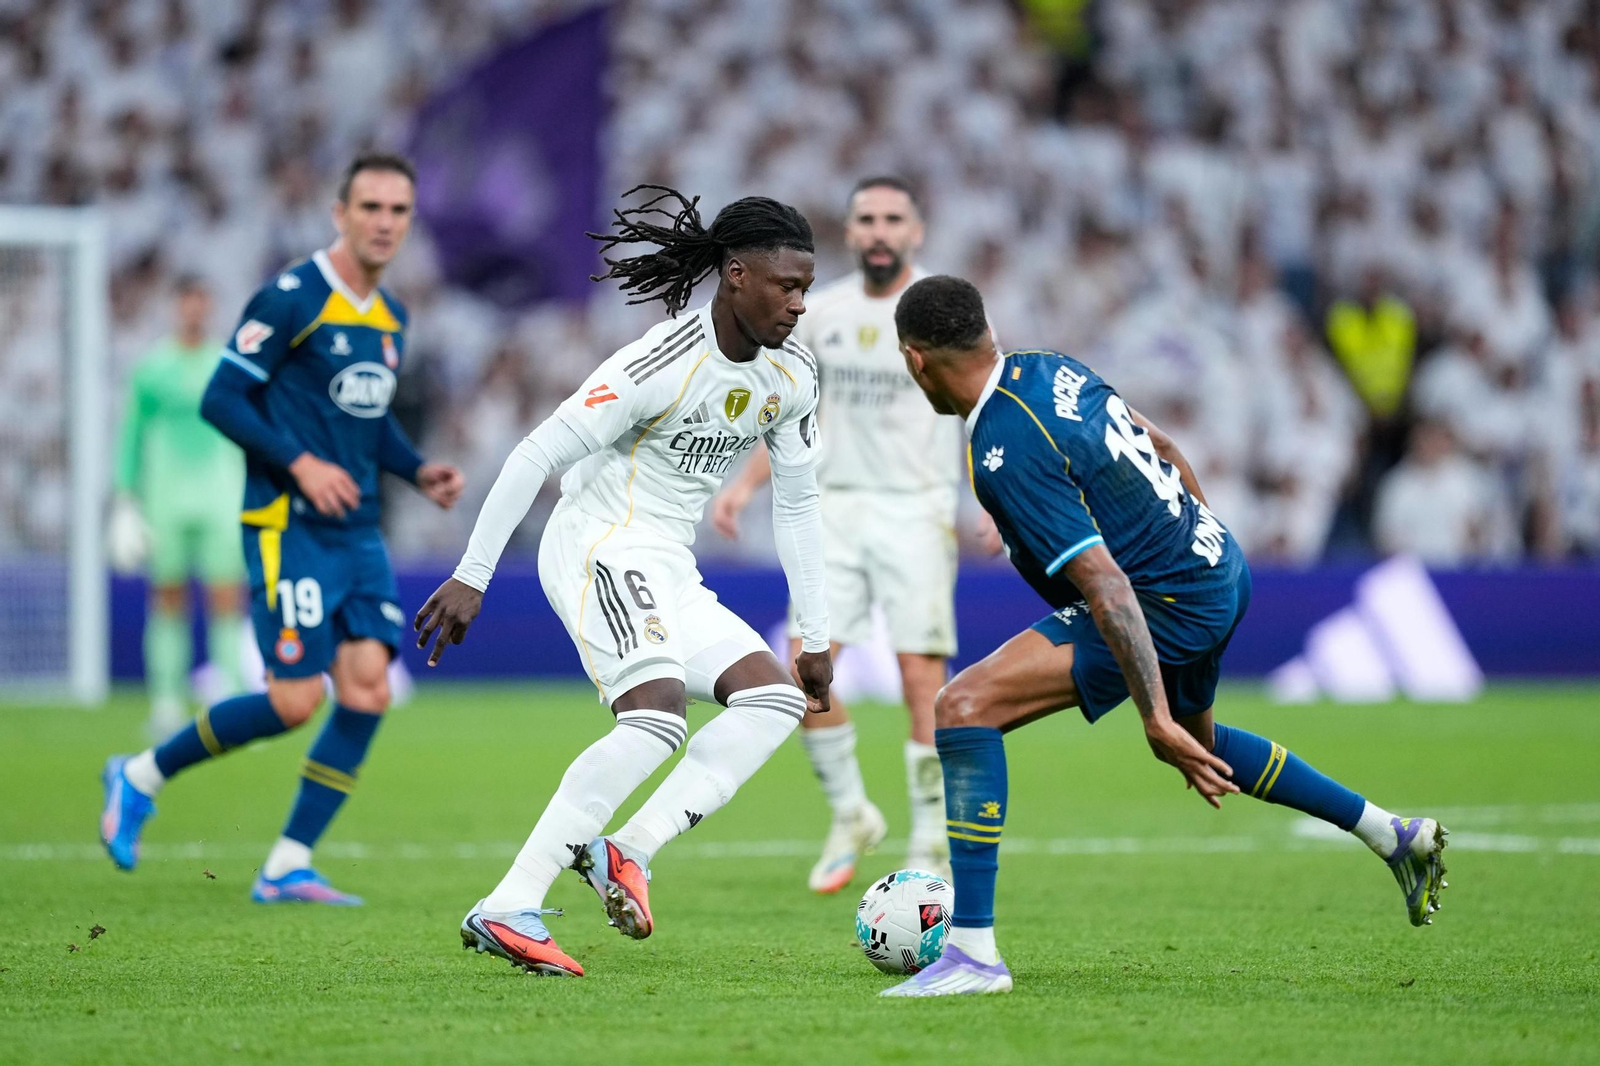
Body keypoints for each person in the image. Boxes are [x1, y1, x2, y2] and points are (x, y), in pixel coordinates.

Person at [881, 276, 1449, 997]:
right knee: (1202, 743)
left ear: (915, 360)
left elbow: (1109, 586)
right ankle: (1392, 834)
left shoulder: (1004, 441)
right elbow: (1165, 446)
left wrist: (1150, 717)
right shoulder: (1050, 367)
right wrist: (1195, 541)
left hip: (1163, 599)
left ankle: (973, 956)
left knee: (965, 707)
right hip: (1217, 564)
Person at [414, 185, 831, 978]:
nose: (800, 304)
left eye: (806, 287)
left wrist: (813, 631)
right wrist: (474, 574)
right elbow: (537, 453)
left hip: (668, 561)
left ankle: (626, 849)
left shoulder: (794, 376)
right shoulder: (658, 362)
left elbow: (801, 503)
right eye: (787, 285)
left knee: (774, 699)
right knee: (657, 719)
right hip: (596, 543)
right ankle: (507, 905)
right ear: (736, 275)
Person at [98, 152, 465, 905]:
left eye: (398, 210)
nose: (384, 223)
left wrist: (416, 468)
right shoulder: (293, 296)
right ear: (340, 213)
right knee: (296, 700)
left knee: (366, 693)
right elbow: (224, 398)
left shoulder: (390, 316)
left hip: (358, 531)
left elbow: (366, 421)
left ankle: (287, 862)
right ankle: (139, 775)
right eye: (370, 207)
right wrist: (299, 464)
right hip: (285, 524)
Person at [713, 176, 979, 892]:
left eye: (895, 217)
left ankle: (928, 838)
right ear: (851, 232)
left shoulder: (941, 308)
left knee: (921, 674)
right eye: (868, 218)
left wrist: (991, 497)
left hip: (915, 507)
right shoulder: (819, 311)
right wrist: (742, 484)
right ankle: (851, 811)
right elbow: (792, 416)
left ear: (915, 231)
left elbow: (980, 405)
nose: (881, 230)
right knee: (807, 666)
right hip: (833, 507)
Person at [109, 275, 247, 739]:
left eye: (200, 302)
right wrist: (125, 495)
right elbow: (131, 433)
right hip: (166, 499)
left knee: (226, 599)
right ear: (175, 306)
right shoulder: (153, 367)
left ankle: (227, 696)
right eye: (186, 301)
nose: (194, 310)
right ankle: (167, 698)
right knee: (167, 599)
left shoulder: (226, 365)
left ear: (209, 306)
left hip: (220, 496)